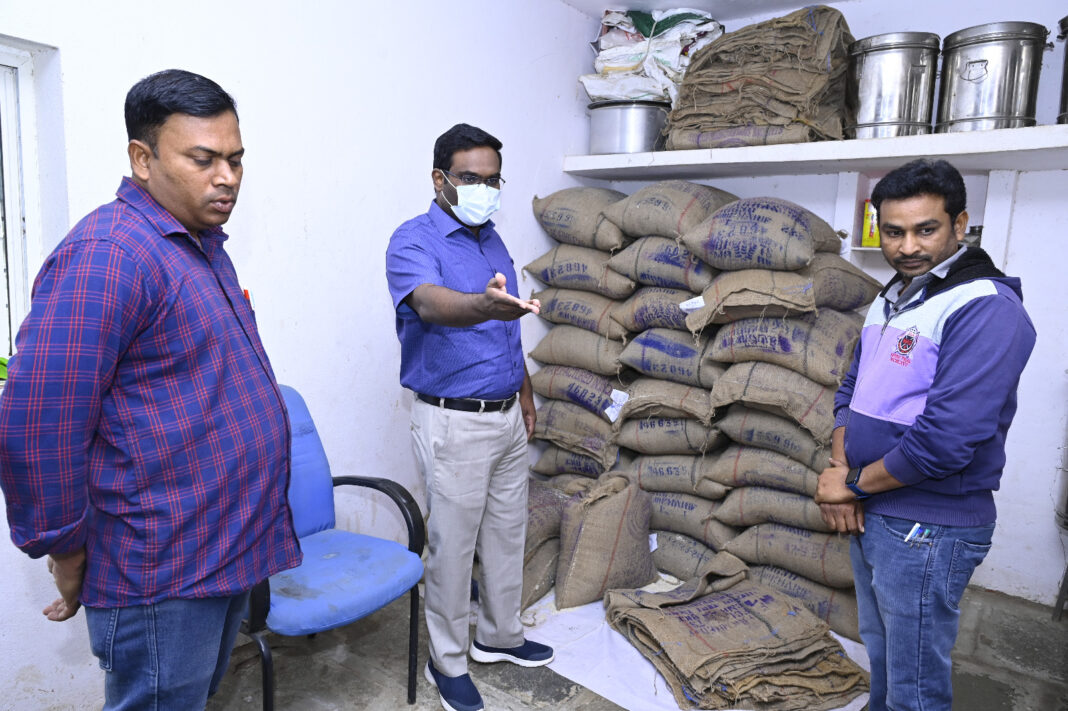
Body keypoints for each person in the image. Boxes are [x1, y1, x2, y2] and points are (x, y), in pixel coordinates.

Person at [0, 69, 301, 709]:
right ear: (143, 158)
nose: (227, 177)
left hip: (221, 547)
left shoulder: (197, 245)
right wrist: (65, 546)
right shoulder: (110, 253)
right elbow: (40, 420)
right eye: (204, 159)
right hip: (164, 568)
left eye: (235, 159)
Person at [815, 159, 1035, 711]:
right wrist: (841, 470)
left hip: (928, 525)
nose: (907, 246)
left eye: (925, 229)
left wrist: (852, 485)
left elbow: (947, 439)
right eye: (893, 232)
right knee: (884, 650)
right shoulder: (894, 297)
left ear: (960, 224)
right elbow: (851, 392)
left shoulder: (985, 307)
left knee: (915, 682)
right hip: (876, 508)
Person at [385, 123, 553, 711]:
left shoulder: (493, 241)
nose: (484, 189)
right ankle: (447, 661)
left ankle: (500, 636)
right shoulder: (413, 240)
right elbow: (428, 303)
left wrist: (524, 393)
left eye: (492, 179)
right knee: (452, 549)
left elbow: (509, 327)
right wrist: (481, 304)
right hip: (454, 421)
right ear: (441, 179)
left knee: (507, 534)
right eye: (470, 178)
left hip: (506, 415)